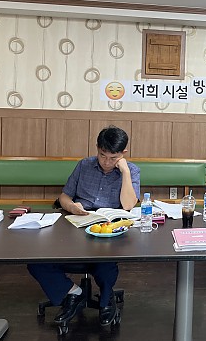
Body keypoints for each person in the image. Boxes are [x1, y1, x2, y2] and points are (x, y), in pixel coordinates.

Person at [28, 126, 140, 327]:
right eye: (102, 155)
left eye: (113, 158)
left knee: (105, 262)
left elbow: (128, 205)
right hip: (76, 226)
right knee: (35, 261)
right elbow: (64, 196)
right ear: (97, 148)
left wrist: (124, 171)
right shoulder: (84, 165)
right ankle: (73, 292)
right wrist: (72, 206)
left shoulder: (131, 170)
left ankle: (106, 299)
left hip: (107, 231)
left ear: (123, 153)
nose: (107, 162)